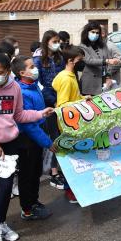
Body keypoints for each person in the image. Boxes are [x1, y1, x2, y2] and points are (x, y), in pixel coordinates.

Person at [0, 54, 53, 241]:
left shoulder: (14, 87)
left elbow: (19, 115)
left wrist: (40, 113)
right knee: (6, 185)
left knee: (7, 186)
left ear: (8, 72)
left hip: (10, 141)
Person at [12, 56, 57, 219]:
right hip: (27, 139)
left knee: (35, 171)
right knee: (27, 174)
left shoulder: (32, 85)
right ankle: (27, 209)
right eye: (31, 66)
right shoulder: (21, 92)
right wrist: (47, 142)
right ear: (22, 72)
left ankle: (34, 201)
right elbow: (28, 125)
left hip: (38, 134)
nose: (35, 68)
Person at [33, 30, 66, 189]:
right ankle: (53, 173)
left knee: (61, 134)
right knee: (53, 135)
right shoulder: (38, 60)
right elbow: (38, 83)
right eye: (54, 41)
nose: (57, 44)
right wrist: (51, 101)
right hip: (48, 103)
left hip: (61, 101)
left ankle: (58, 167)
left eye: (58, 41)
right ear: (46, 42)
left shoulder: (60, 57)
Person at [52, 46, 86, 203]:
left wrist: (84, 98)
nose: (82, 63)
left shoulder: (70, 75)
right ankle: (70, 191)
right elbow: (64, 105)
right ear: (70, 61)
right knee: (71, 160)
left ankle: (75, 189)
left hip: (73, 123)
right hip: (68, 125)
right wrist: (80, 102)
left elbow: (75, 97)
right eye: (80, 60)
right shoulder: (66, 79)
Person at [79, 22, 121, 96]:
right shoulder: (82, 46)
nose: (95, 34)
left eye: (97, 33)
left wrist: (108, 76)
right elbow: (89, 60)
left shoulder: (102, 45)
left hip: (103, 81)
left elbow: (108, 59)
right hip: (89, 83)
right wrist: (107, 61)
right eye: (93, 32)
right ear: (87, 32)